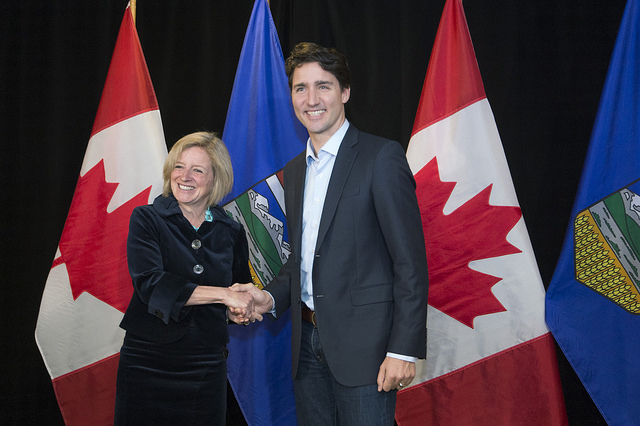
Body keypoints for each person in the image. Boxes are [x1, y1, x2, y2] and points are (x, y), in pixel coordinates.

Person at [231, 42, 428, 425]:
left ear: (345, 92)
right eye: (300, 88)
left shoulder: (381, 157)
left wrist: (403, 350)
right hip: (305, 348)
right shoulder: (295, 170)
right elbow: (299, 262)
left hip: (368, 352)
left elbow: (410, 262)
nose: (311, 99)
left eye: (323, 85)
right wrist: (267, 298)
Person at [114, 131, 258, 425]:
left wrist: (239, 310)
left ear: (215, 179)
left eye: (198, 170)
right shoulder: (146, 219)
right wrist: (224, 295)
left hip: (205, 365)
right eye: (179, 166)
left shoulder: (230, 230)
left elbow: (238, 290)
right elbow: (151, 286)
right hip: (147, 361)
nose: (185, 176)